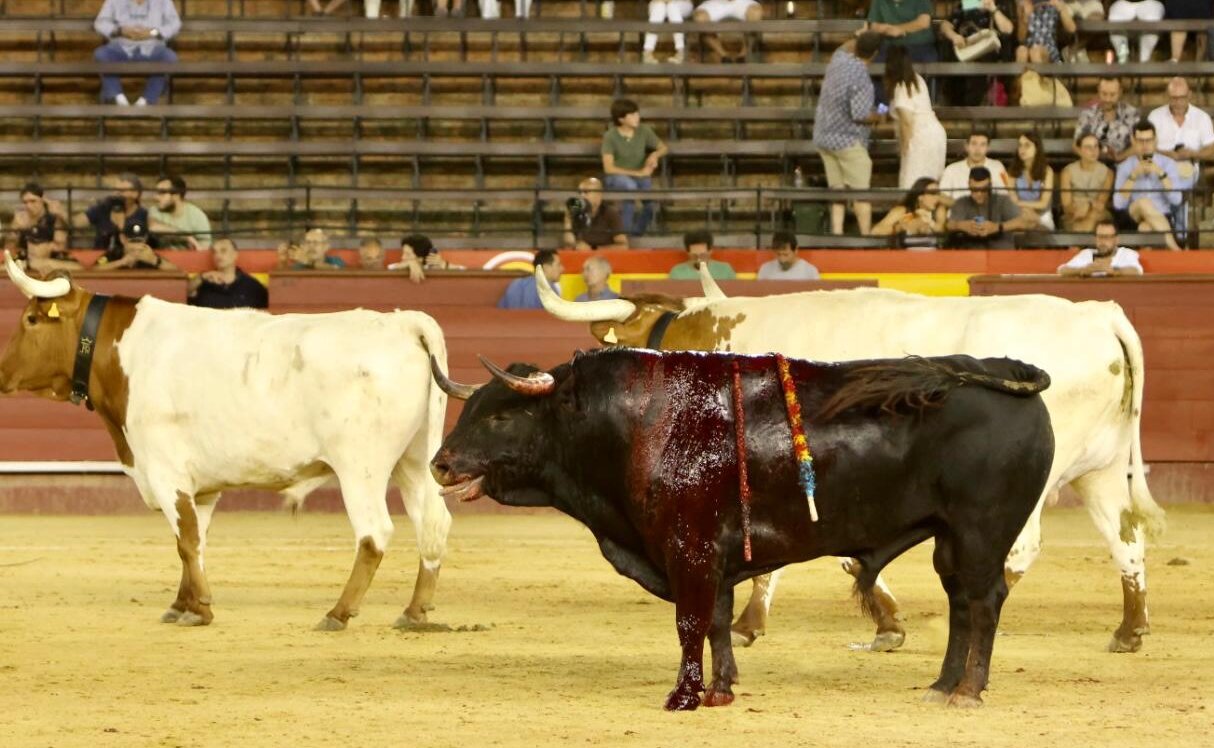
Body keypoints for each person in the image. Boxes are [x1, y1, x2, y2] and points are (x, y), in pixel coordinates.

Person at [813, 32, 885, 236]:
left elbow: (845, 46)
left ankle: (837, 233)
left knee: (837, 190)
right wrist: (881, 113)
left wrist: (859, 35)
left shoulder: (839, 59)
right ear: (875, 54)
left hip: (823, 137)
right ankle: (865, 237)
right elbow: (861, 115)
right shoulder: (861, 78)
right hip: (847, 141)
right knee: (860, 193)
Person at [93, 0, 181, 106]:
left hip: (152, 48)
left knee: (169, 58)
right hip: (121, 48)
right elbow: (100, 23)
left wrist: (152, 32)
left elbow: (175, 23)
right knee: (101, 54)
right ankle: (118, 98)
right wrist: (121, 31)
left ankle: (146, 100)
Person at [601, 99, 668, 237]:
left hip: (641, 176)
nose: (637, 117)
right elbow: (609, 168)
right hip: (616, 177)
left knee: (650, 204)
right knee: (629, 187)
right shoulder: (610, 136)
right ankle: (624, 236)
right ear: (621, 119)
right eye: (632, 115)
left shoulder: (644, 130)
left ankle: (636, 234)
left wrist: (654, 155)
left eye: (637, 113)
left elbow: (663, 148)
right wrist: (637, 173)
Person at [1113, 120, 1183, 250]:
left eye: (1149, 140)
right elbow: (1118, 204)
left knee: (1145, 228)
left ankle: (1148, 264)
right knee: (1143, 202)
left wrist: (1160, 173)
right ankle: (1176, 249)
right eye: (1140, 141)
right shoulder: (1124, 167)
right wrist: (1133, 175)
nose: (1145, 145)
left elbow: (1177, 200)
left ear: (1155, 140)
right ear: (1133, 141)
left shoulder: (1168, 164)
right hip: (1132, 217)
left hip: (1161, 216)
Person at [884, 46, 945, 190]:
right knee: (930, 183)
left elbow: (906, 121)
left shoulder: (902, 87)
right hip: (935, 134)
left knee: (912, 185)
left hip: (919, 138)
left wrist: (904, 148)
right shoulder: (917, 79)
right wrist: (880, 110)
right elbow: (888, 108)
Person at [940, 0, 1015, 106]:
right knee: (951, 61)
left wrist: (993, 9)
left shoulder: (1000, 5)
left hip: (989, 52)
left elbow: (1008, 29)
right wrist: (953, 36)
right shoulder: (967, 4)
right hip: (966, 48)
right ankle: (955, 104)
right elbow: (945, 25)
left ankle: (974, 105)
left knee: (980, 66)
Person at [1147, 77, 1214, 190]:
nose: (1178, 102)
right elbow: (1145, 146)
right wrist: (1167, 154)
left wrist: (1192, 154)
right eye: (1174, 98)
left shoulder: (1201, 118)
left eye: (1182, 98)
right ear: (1167, 96)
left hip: (1188, 167)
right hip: (1158, 166)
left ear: (1189, 95)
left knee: (1177, 179)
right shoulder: (1155, 116)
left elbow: (1211, 148)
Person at [945, 167, 1037, 248]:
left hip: (1001, 255)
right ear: (968, 184)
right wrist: (962, 225)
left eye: (984, 190)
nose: (979, 194)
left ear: (990, 185)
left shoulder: (1002, 200)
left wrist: (997, 227)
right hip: (972, 257)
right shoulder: (961, 202)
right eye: (974, 190)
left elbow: (1028, 222)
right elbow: (949, 225)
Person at [187, 237, 269, 309]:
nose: (218, 255)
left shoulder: (251, 285)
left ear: (235, 255)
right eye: (214, 252)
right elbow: (181, 296)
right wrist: (201, 277)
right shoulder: (203, 282)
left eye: (223, 250)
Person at [73, 174, 147, 249]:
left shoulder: (143, 215)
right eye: (116, 190)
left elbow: (139, 245)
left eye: (122, 191)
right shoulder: (103, 207)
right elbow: (75, 223)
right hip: (101, 256)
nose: (117, 194)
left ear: (135, 194)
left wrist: (121, 226)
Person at [1074, 77, 1138, 164]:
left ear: (1120, 92)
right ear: (1098, 91)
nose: (1108, 99)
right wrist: (1091, 157)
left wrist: (1119, 157)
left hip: (1123, 164)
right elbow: (1076, 145)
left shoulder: (1131, 113)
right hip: (1093, 164)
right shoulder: (1088, 114)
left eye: (1112, 95)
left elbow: (1139, 144)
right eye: (1104, 94)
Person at [1060, 133, 1115, 232]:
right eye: (1088, 147)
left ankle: (1077, 245)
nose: (1093, 151)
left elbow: (1100, 204)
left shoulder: (1108, 173)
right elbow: (1067, 206)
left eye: (1096, 146)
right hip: (1074, 213)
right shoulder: (1067, 172)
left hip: (1099, 214)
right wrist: (1078, 210)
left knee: (1092, 216)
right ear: (1079, 150)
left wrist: (1088, 205)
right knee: (1076, 220)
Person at [939, 131, 1010, 205]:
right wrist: (962, 207)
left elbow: (1006, 194)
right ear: (966, 146)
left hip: (990, 213)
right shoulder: (951, 169)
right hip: (959, 214)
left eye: (982, 144)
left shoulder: (998, 167)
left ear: (988, 148)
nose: (977, 149)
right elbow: (942, 196)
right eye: (974, 144)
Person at [1057, 219, 1144, 276]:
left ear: (1116, 239)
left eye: (1106, 237)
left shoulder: (1126, 253)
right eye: (1100, 237)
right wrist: (1083, 270)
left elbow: (1137, 271)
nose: (1102, 241)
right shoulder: (1087, 254)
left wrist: (1114, 271)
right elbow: (1062, 270)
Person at [563, 178, 629, 250]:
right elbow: (568, 246)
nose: (582, 196)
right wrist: (568, 221)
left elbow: (623, 246)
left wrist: (593, 249)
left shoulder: (610, 213)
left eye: (586, 192)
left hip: (605, 259)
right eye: (580, 193)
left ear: (599, 195)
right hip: (582, 258)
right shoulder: (577, 213)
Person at [148, 175, 212, 250]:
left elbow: (203, 249)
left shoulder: (197, 216)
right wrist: (187, 237)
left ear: (176, 194)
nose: (156, 197)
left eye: (162, 193)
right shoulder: (155, 211)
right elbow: (152, 226)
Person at [1008, 132, 1057, 230]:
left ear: (1037, 148)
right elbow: (1012, 201)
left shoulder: (1047, 171)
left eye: (1027, 145)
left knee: (1034, 223)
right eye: (1020, 145)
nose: (1022, 149)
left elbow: (1043, 204)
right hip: (1019, 214)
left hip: (1043, 216)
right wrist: (1026, 209)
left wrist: (1024, 206)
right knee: (1023, 221)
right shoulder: (1013, 171)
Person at [872, 176, 947, 238]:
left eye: (938, 193)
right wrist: (898, 228)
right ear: (920, 196)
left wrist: (930, 222)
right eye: (933, 193)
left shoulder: (939, 209)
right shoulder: (903, 210)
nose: (937, 197)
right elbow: (876, 231)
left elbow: (942, 232)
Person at [691, 0, 764, 63]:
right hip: (715, 2)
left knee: (756, 13)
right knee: (700, 17)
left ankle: (743, 56)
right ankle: (724, 56)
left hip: (742, 1)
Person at [866, 0, 938, 63]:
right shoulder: (878, 1)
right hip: (888, 46)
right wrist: (885, 29)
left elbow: (924, 22)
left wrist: (899, 29)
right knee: (875, 63)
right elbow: (874, 26)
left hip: (919, 46)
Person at [7, 182, 68, 254]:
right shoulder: (20, 218)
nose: (29, 206)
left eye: (33, 201)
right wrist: (14, 231)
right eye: (25, 202)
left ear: (42, 200)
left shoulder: (54, 217)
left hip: (50, 259)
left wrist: (39, 248)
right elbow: (8, 250)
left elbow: (60, 247)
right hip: (24, 259)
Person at [93, 220, 180, 271]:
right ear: (122, 239)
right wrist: (121, 262)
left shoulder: (149, 255)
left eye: (139, 241)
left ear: (145, 239)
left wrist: (154, 260)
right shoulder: (114, 254)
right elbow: (93, 271)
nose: (136, 246)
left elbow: (177, 272)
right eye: (133, 241)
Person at [498, 250, 563, 309]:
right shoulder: (549, 290)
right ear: (546, 267)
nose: (562, 269)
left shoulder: (516, 284)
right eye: (558, 265)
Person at [15, 222, 83, 276]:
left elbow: (79, 267)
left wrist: (47, 263)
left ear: (51, 245)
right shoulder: (22, 255)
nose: (31, 247)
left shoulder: (59, 255)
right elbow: (6, 266)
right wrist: (27, 264)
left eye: (37, 243)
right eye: (29, 242)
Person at [667, 230, 737, 279]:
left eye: (703, 255)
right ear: (688, 253)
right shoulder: (677, 272)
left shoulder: (725, 270)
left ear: (710, 251)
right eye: (694, 256)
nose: (698, 259)